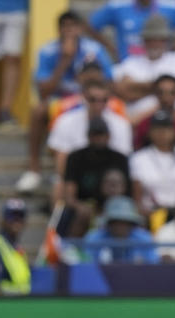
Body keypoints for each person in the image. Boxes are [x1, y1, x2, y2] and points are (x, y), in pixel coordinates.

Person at [21, 11, 114, 192]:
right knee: (38, 110)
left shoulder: (94, 50)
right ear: (59, 30)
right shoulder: (47, 51)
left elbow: (110, 83)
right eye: (66, 27)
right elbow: (43, 91)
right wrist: (65, 60)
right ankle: (34, 169)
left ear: (80, 28)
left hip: (91, 99)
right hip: (61, 100)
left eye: (74, 26)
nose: (70, 31)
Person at [112, 15, 175, 121]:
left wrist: (137, 89)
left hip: (173, 121)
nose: (155, 43)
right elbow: (123, 92)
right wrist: (160, 89)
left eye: (160, 39)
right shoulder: (130, 62)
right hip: (137, 124)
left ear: (167, 41)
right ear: (144, 41)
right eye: (150, 39)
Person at [48, 79, 133, 179]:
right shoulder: (66, 120)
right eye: (93, 99)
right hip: (75, 175)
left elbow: (122, 157)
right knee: (60, 175)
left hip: (108, 177)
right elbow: (60, 155)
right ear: (84, 97)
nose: (98, 104)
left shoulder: (121, 124)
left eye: (103, 100)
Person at [129, 111, 175, 213]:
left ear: (174, 131)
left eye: (166, 128)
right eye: (157, 129)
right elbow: (137, 196)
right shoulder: (138, 158)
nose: (162, 132)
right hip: (152, 213)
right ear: (150, 132)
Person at [62, 117, 132, 217]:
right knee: (82, 214)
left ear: (108, 136)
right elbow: (69, 196)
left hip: (116, 206)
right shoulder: (76, 157)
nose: (98, 138)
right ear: (88, 136)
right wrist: (81, 207)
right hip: (85, 206)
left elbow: (127, 192)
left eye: (101, 134)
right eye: (94, 135)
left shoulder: (120, 159)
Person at [84, 195, 160, 264]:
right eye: (115, 222)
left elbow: (153, 265)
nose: (120, 227)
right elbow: (87, 265)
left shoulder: (144, 239)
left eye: (125, 222)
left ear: (131, 223)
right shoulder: (94, 239)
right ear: (108, 224)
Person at [0, 199, 31, 296]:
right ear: (3, 219)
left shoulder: (15, 247)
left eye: (20, 216)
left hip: (20, 306)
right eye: (12, 216)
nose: (16, 221)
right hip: (4, 307)